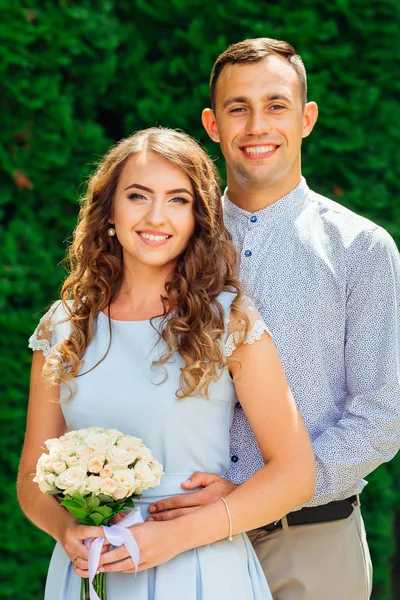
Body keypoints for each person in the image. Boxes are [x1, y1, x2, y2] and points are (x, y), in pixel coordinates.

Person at [146, 39, 400, 599]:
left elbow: (381, 418)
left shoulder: (363, 248)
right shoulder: (170, 241)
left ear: (306, 118)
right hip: (185, 543)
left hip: (311, 545)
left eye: (277, 105)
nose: (257, 125)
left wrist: (251, 495)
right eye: (238, 108)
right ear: (213, 124)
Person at [17, 127, 315, 600]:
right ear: (109, 211)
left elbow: (296, 474)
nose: (156, 216)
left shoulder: (228, 320)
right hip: (91, 566)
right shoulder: (62, 327)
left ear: (198, 218)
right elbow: (33, 476)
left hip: (200, 566)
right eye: (138, 196)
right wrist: (66, 531)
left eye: (178, 200)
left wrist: (172, 538)